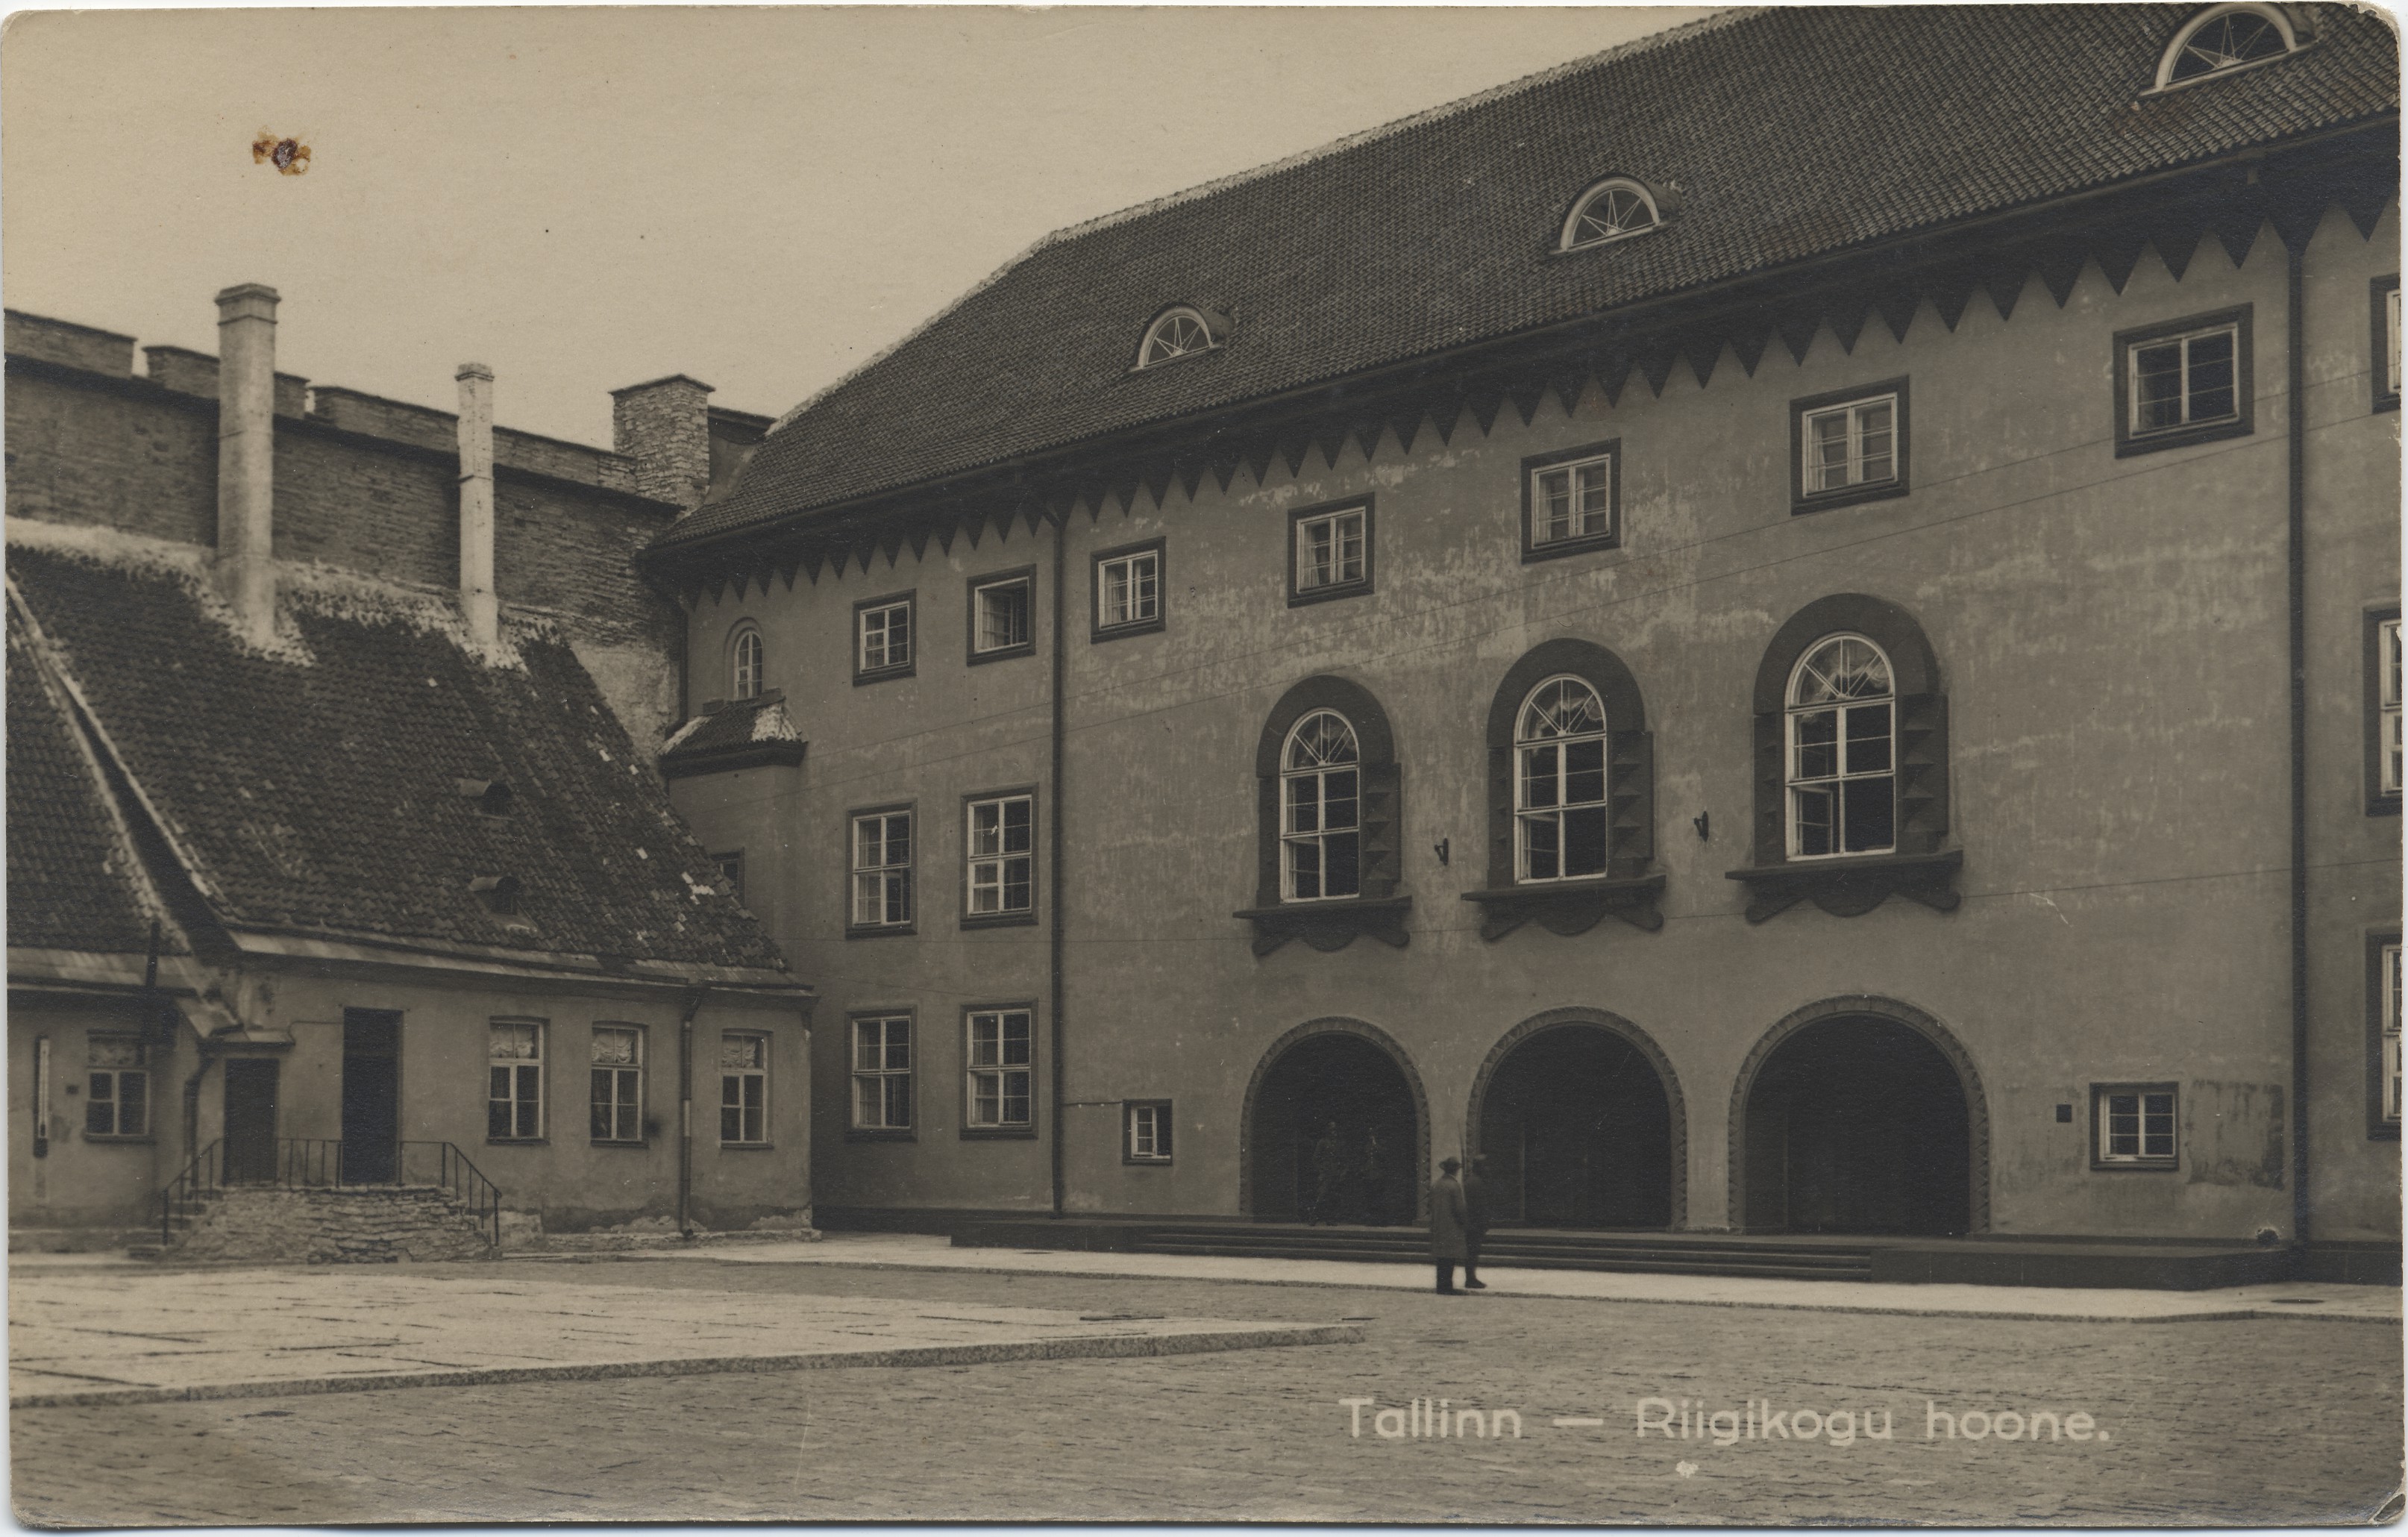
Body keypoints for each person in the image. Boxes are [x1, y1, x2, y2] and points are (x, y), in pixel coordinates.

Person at [1429, 1155, 1470, 1294]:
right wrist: (1464, 1224)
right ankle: (1447, 1286)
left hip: (1438, 1226)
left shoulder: (1437, 1184)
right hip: (1452, 1227)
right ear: (1455, 1170)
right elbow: (1459, 1209)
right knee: (1449, 1258)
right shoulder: (1454, 1186)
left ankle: (1441, 1285)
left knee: (1442, 1259)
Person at [1461, 1153, 1492, 1290]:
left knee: (1473, 1252)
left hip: (1474, 1223)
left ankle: (1471, 1277)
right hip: (1474, 1224)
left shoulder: (1474, 1181)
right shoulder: (1475, 1183)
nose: (1487, 1169)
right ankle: (1470, 1279)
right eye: (1485, 1166)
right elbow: (1478, 1206)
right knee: (1472, 1252)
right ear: (1479, 1167)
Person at [1306, 1121, 1344, 1225]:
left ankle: (1330, 1219)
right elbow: (1315, 1159)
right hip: (1325, 1174)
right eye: (1332, 1130)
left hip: (1335, 1173)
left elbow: (1343, 1159)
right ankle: (1313, 1217)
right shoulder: (1322, 1142)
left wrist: (1341, 1172)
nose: (1334, 1132)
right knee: (1322, 1195)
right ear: (1327, 1130)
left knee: (1333, 1197)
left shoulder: (1338, 1143)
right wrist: (1321, 1170)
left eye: (1335, 1130)